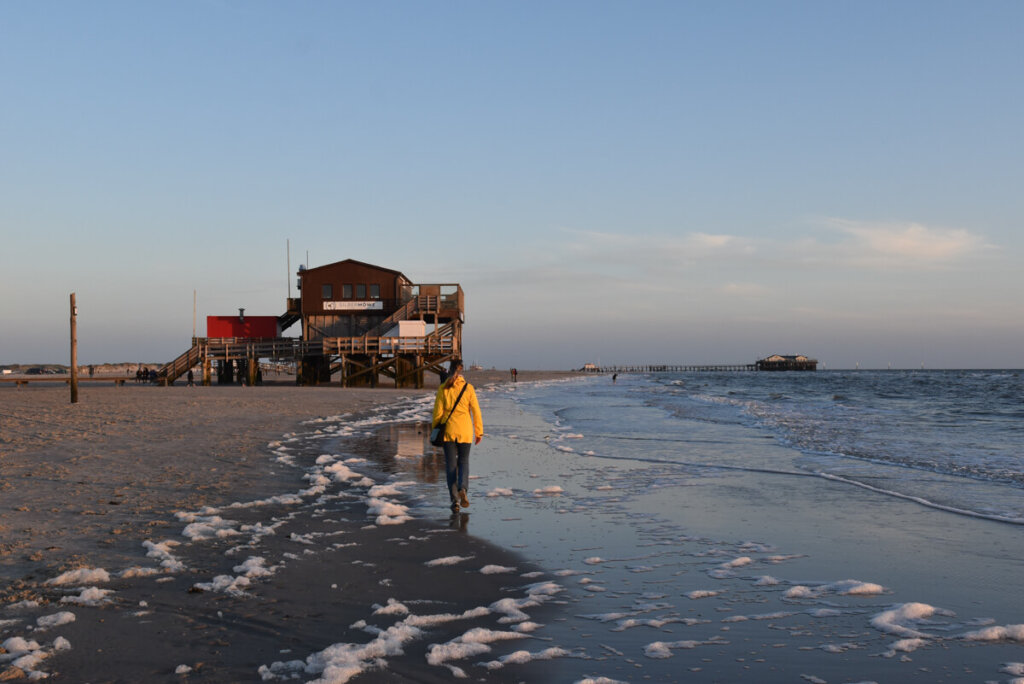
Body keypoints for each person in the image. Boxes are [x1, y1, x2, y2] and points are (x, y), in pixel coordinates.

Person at [431, 359, 483, 512]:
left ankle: (455, 502)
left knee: (451, 466)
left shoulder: (443, 388)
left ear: (450, 370)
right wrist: (479, 431)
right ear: (461, 371)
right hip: (465, 431)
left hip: (448, 432)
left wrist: (435, 430)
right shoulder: (469, 388)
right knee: (464, 462)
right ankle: (463, 488)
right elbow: (476, 411)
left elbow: (437, 413)